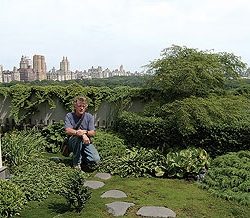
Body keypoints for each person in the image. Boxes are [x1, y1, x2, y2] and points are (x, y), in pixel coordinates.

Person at [64, 96, 100, 170]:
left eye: (83, 106)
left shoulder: (89, 117)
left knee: (95, 159)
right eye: (79, 106)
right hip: (73, 142)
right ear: (75, 106)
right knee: (78, 138)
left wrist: (85, 132)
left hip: (86, 142)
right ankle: (76, 164)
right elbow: (67, 130)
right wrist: (79, 133)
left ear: (86, 107)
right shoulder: (69, 116)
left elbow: (93, 132)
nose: (81, 108)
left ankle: (82, 159)